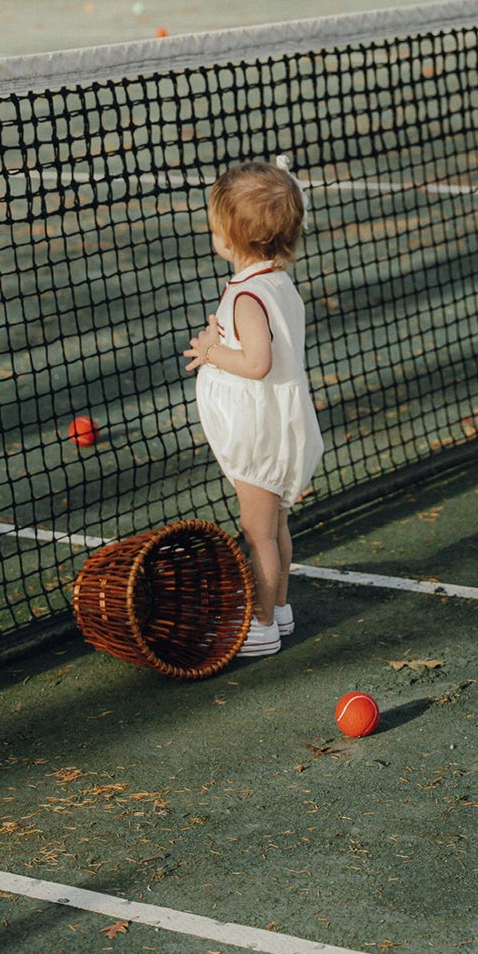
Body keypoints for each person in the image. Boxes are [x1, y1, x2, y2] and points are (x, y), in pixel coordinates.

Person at [185, 160, 323, 659]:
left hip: (260, 435)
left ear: (232, 238)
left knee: (257, 533)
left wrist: (210, 353)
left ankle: (261, 624)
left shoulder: (247, 295)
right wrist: (223, 338)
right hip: (279, 427)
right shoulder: (274, 283)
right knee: (275, 529)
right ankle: (280, 609)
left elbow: (258, 363)